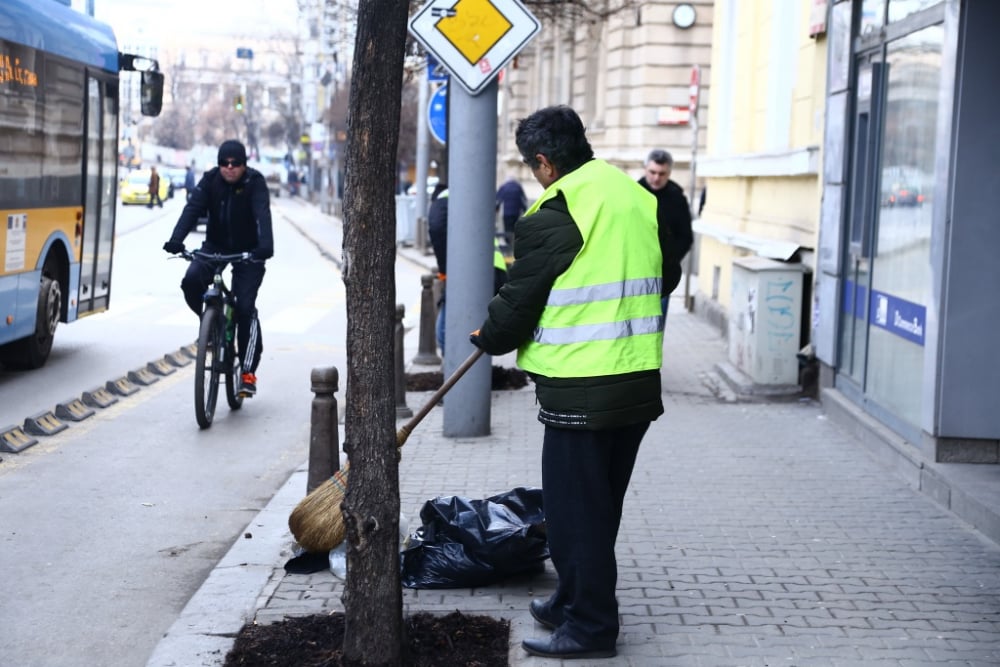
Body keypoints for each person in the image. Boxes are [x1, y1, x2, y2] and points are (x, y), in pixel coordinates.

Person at [470, 106, 663, 660]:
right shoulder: (633, 196)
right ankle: (571, 598)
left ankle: (591, 627)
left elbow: (518, 298)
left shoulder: (555, 210)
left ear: (544, 162)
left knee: (575, 513)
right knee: (599, 506)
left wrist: (490, 335)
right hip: (636, 379)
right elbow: (665, 271)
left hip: (583, 384)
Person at [162, 140, 274, 397]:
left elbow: (263, 216)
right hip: (215, 246)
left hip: (250, 252)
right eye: (224, 163)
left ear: (244, 165)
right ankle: (211, 325)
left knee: (245, 308)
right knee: (191, 281)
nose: (230, 168)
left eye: (235, 164)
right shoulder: (211, 180)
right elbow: (193, 208)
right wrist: (176, 239)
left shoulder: (254, 183)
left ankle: (247, 371)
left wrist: (264, 248)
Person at [428, 182, 507, 354]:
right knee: (478, 327)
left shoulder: (442, 202)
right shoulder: (464, 199)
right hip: (496, 269)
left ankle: (456, 372)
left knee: (445, 333)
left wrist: (444, 270)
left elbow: (435, 227)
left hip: (469, 272)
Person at [637, 149, 693, 320]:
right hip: (634, 268)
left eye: (662, 173)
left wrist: (669, 260)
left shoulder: (677, 198)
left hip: (662, 274)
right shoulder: (633, 193)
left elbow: (686, 237)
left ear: (669, 173)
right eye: (652, 172)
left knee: (656, 324)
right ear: (645, 169)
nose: (656, 178)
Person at [495, 174, 528, 248]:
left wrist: (496, 208)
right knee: (514, 229)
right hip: (516, 212)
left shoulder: (504, 187)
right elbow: (523, 199)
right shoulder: (518, 187)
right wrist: (525, 210)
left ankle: (509, 244)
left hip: (506, 212)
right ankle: (514, 245)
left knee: (508, 229)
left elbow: (498, 199)